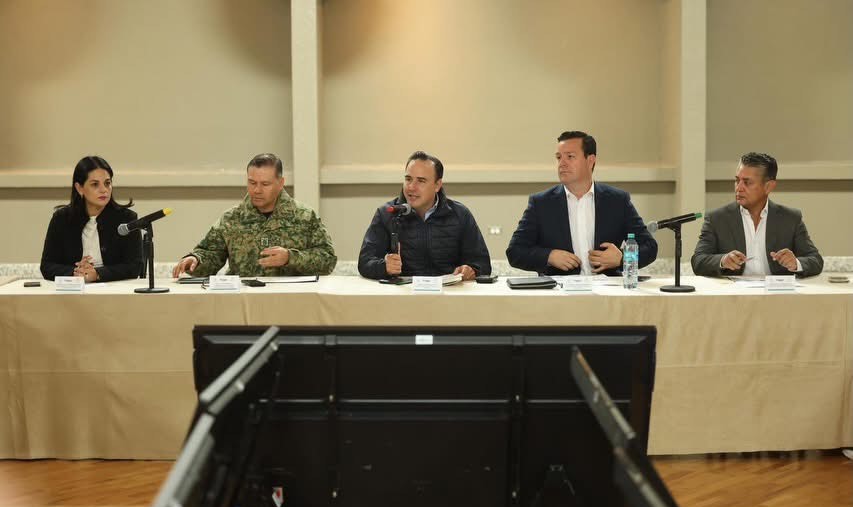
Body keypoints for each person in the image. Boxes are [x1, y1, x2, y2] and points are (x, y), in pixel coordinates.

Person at [506, 131, 657, 276]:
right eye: (558, 157)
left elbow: (649, 247)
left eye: (570, 157)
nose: (562, 163)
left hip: (606, 290)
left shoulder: (617, 200)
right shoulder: (541, 203)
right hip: (560, 290)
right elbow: (515, 251)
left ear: (590, 160)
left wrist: (622, 258)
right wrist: (549, 256)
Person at [172, 153, 336, 277]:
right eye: (252, 183)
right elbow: (211, 254)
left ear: (280, 183)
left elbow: (327, 260)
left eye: (265, 184)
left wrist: (290, 258)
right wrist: (196, 260)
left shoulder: (304, 217)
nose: (257, 190)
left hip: (290, 302)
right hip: (242, 303)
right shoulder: (232, 218)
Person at [358, 150, 491, 280]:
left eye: (421, 181)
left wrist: (471, 270)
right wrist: (384, 266)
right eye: (408, 179)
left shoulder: (460, 214)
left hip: (449, 291)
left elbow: (482, 264)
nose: (411, 187)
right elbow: (365, 262)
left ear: (437, 185)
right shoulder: (387, 213)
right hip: (404, 292)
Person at [691, 152, 823, 277]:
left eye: (747, 182)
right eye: (737, 180)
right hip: (734, 292)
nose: (739, 188)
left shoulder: (790, 219)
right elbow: (698, 261)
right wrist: (722, 260)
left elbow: (815, 260)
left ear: (768, 187)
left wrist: (796, 263)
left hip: (776, 291)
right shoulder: (717, 219)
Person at [40, 156, 143, 282]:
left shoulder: (126, 219)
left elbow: (134, 267)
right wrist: (76, 272)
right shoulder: (61, 219)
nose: (104, 190)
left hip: (115, 289)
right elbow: (47, 266)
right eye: (95, 184)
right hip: (73, 289)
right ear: (79, 188)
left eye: (107, 183)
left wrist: (97, 274)